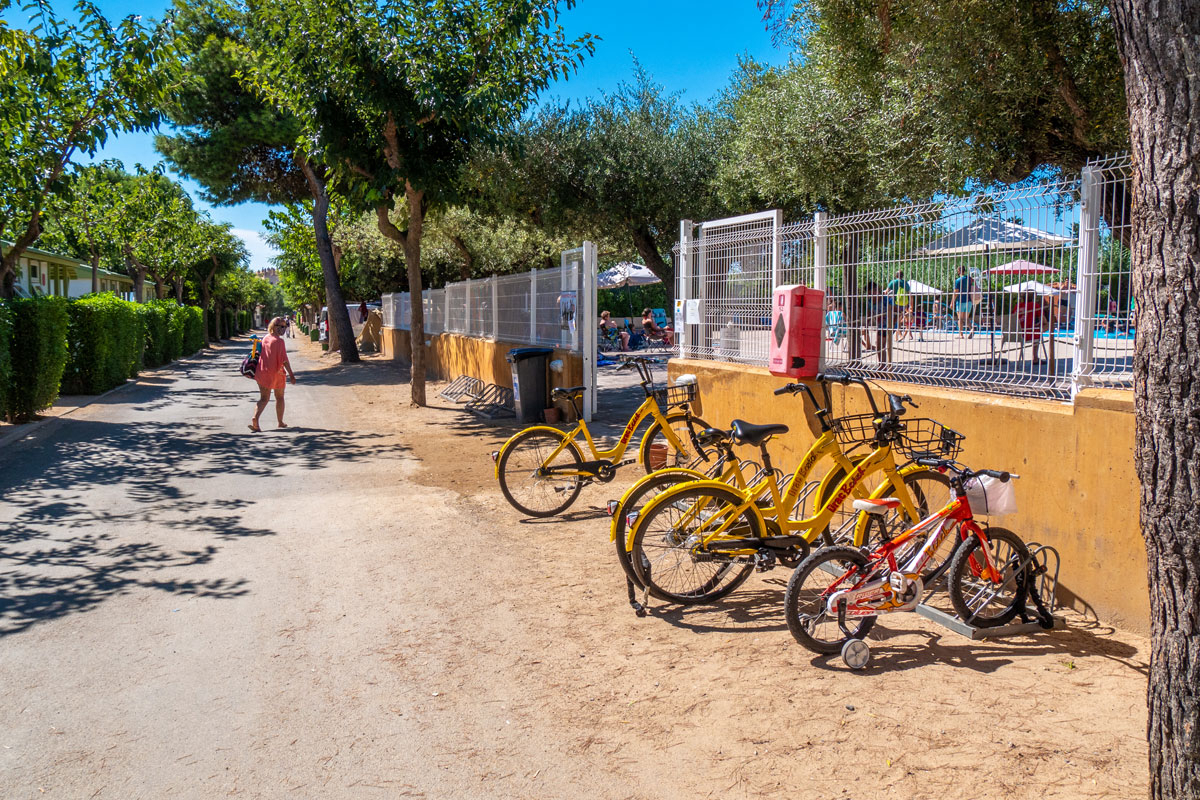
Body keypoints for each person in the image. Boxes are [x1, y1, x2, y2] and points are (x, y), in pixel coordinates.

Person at [249, 317, 297, 432]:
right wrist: (291, 374)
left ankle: (255, 418)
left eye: (284, 326)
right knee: (279, 397)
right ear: (274, 327)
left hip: (262, 372)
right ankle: (280, 422)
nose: (283, 329)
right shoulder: (280, 341)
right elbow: (284, 360)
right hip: (276, 373)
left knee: (264, 398)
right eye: (281, 326)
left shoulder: (265, 338)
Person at [886, 270, 914, 341]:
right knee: (898, 320)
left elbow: (886, 292)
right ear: (902, 276)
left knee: (894, 321)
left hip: (894, 304)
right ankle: (897, 335)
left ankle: (899, 335)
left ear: (896, 275)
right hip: (903, 305)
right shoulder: (905, 283)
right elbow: (911, 295)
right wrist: (911, 306)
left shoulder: (893, 282)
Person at [951, 266, 976, 339]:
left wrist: (952, 302)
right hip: (969, 301)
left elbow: (956, 292)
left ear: (959, 271)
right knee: (966, 318)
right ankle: (971, 329)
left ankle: (961, 334)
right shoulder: (969, 279)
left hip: (961, 301)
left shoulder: (958, 280)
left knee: (960, 318)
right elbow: (974, 283)